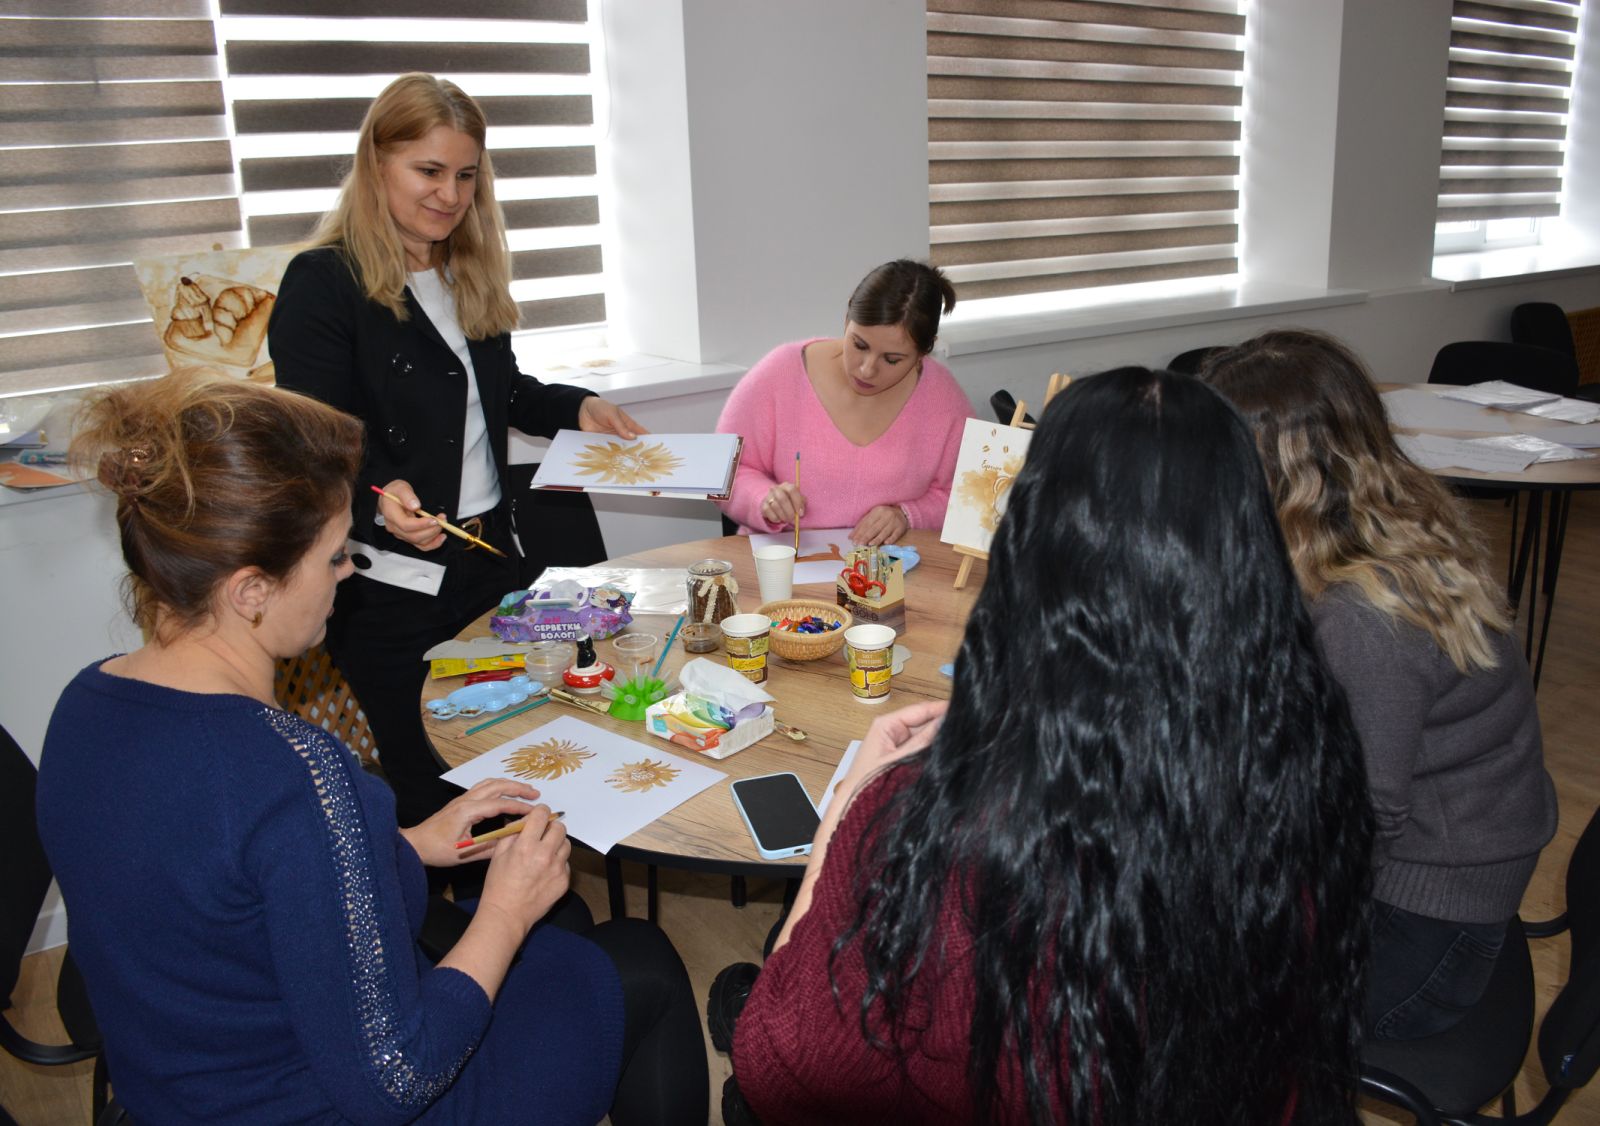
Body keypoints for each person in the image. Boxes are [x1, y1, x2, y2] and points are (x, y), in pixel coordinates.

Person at [38, 371, 708, 1125]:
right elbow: (398, 1077)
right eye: (334, 556)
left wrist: (407, 845)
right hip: (324, 1107)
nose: (349, 571)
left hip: (179, 1092)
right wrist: (507, 912)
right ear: (251, 590)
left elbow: (231, 890)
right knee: (640, 960)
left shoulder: (83, 705)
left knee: (568, 940)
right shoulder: (297, 774)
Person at [729, 368, 1375, 1125]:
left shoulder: (951, 831)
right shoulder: (1303, 753)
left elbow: (775, 1070)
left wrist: (845, 815)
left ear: (1029, 545)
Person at [268, 73, 645, 828]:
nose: (449, 195)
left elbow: (501, 393)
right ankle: (456, 901)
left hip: (491, 560)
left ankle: (521, 891)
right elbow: (316, 437)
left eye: (466, 175)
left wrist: (574, 406)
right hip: (389, 587)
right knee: (435, 784)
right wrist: (383, 491)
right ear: (377, 163)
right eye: (429, 171)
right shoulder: (324, 282)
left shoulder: (463, 270)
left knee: (525, 757)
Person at [1203, 329, 1556, 1042]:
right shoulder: (1382, 523)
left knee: (1193, 1013)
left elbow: (1358, 823)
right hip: (1444, 867)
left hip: (1427, 915)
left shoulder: (1366, 618)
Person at [714, 259, 974, 545]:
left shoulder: (944, 400)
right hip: (780, 563)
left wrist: (908, 515)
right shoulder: (780, 372)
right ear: (847, 317)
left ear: (924, 351)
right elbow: (722, 471)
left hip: (893, 568)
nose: (867, 369)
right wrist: (763, 499)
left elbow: (973, 500)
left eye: (892, 359)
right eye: (859, 345)